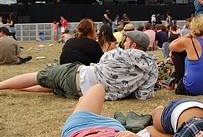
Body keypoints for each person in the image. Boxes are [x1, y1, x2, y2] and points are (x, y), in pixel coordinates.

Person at [0, 30, 158, 101]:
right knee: (50, 86)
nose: (123, 44)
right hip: (81, 93)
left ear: (134, 46)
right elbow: (142, 96)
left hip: (77, 75)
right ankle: (17, 88)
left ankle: (1, 86)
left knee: (40, 75)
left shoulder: (123, 54)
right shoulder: (151, 68)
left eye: (126, 42)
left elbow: (102, 61)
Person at [169, 14, 203, 95]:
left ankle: (178, 80)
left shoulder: (189, 41)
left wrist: (188, 35)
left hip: (193, 88)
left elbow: (171, 45)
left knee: (175, 52)